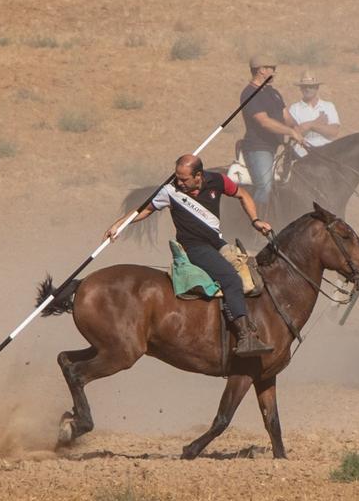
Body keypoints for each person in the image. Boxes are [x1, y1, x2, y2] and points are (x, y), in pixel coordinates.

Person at [107, 153, 273, 357]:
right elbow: (145, 210)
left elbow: (243, 195)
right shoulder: (170, 191)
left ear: (199, 175)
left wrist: (255, 220)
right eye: (177, 177)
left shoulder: (218, 181)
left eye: (184, 179)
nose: (179, 182)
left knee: (252, 272)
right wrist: (119, 224)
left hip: (217, 243)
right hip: (194, 248)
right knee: (231, 279)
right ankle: (245, 337)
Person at [236, 57, 303, 206]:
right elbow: (264, 121)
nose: (274, 71)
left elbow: (286, 116)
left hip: (277, 147)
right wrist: (290, 132)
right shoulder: (249, 93)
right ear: (261, 70)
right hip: (258, 148)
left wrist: (295, 127)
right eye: (271, 68)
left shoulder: (273, 92)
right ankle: (255, 223)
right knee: (265, 187)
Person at [286, 71, 341, 158]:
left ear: (317, 87)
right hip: (302, 152)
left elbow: (333, 132)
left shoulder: (328, 106)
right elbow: (294, 133)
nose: (308, 89)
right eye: (304, 86)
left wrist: (309, 126)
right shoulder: (294, 108)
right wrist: (316, 123)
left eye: (311, 86)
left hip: (327, 152)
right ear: (300, 88)